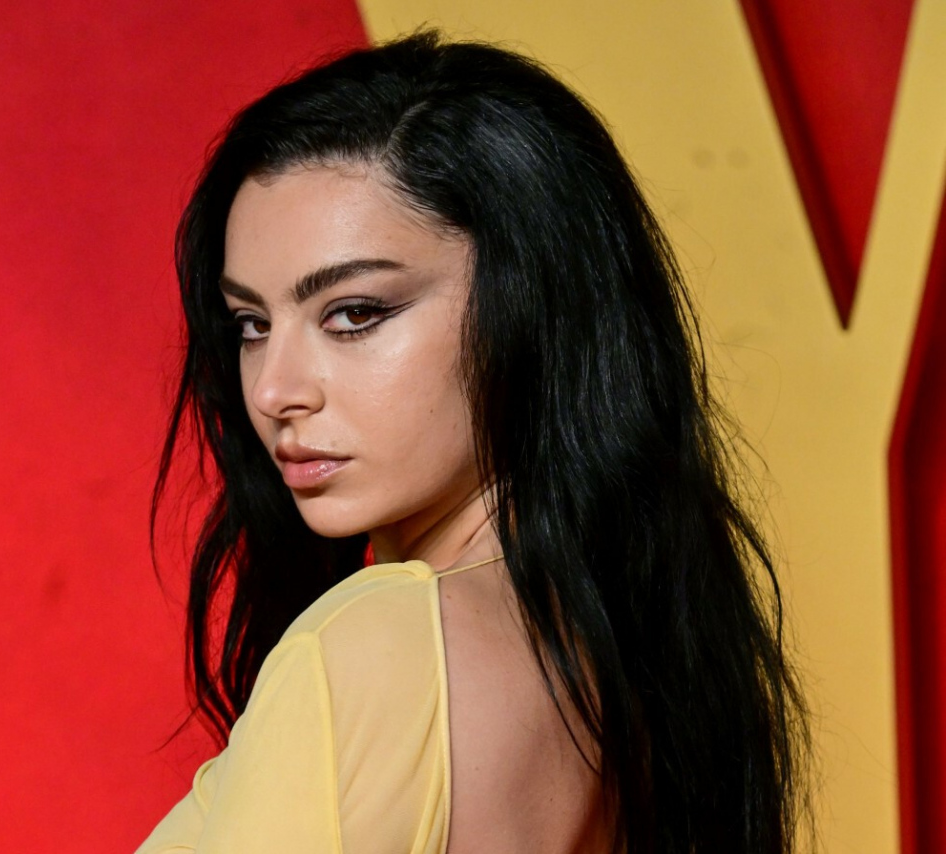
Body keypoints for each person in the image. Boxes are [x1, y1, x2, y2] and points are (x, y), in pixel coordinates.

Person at [136, 30, 811, 854]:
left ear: (532, 305)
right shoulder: (632, 649)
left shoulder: (367, 651)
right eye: (251, 323)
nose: (275, 390)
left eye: (355, 314)